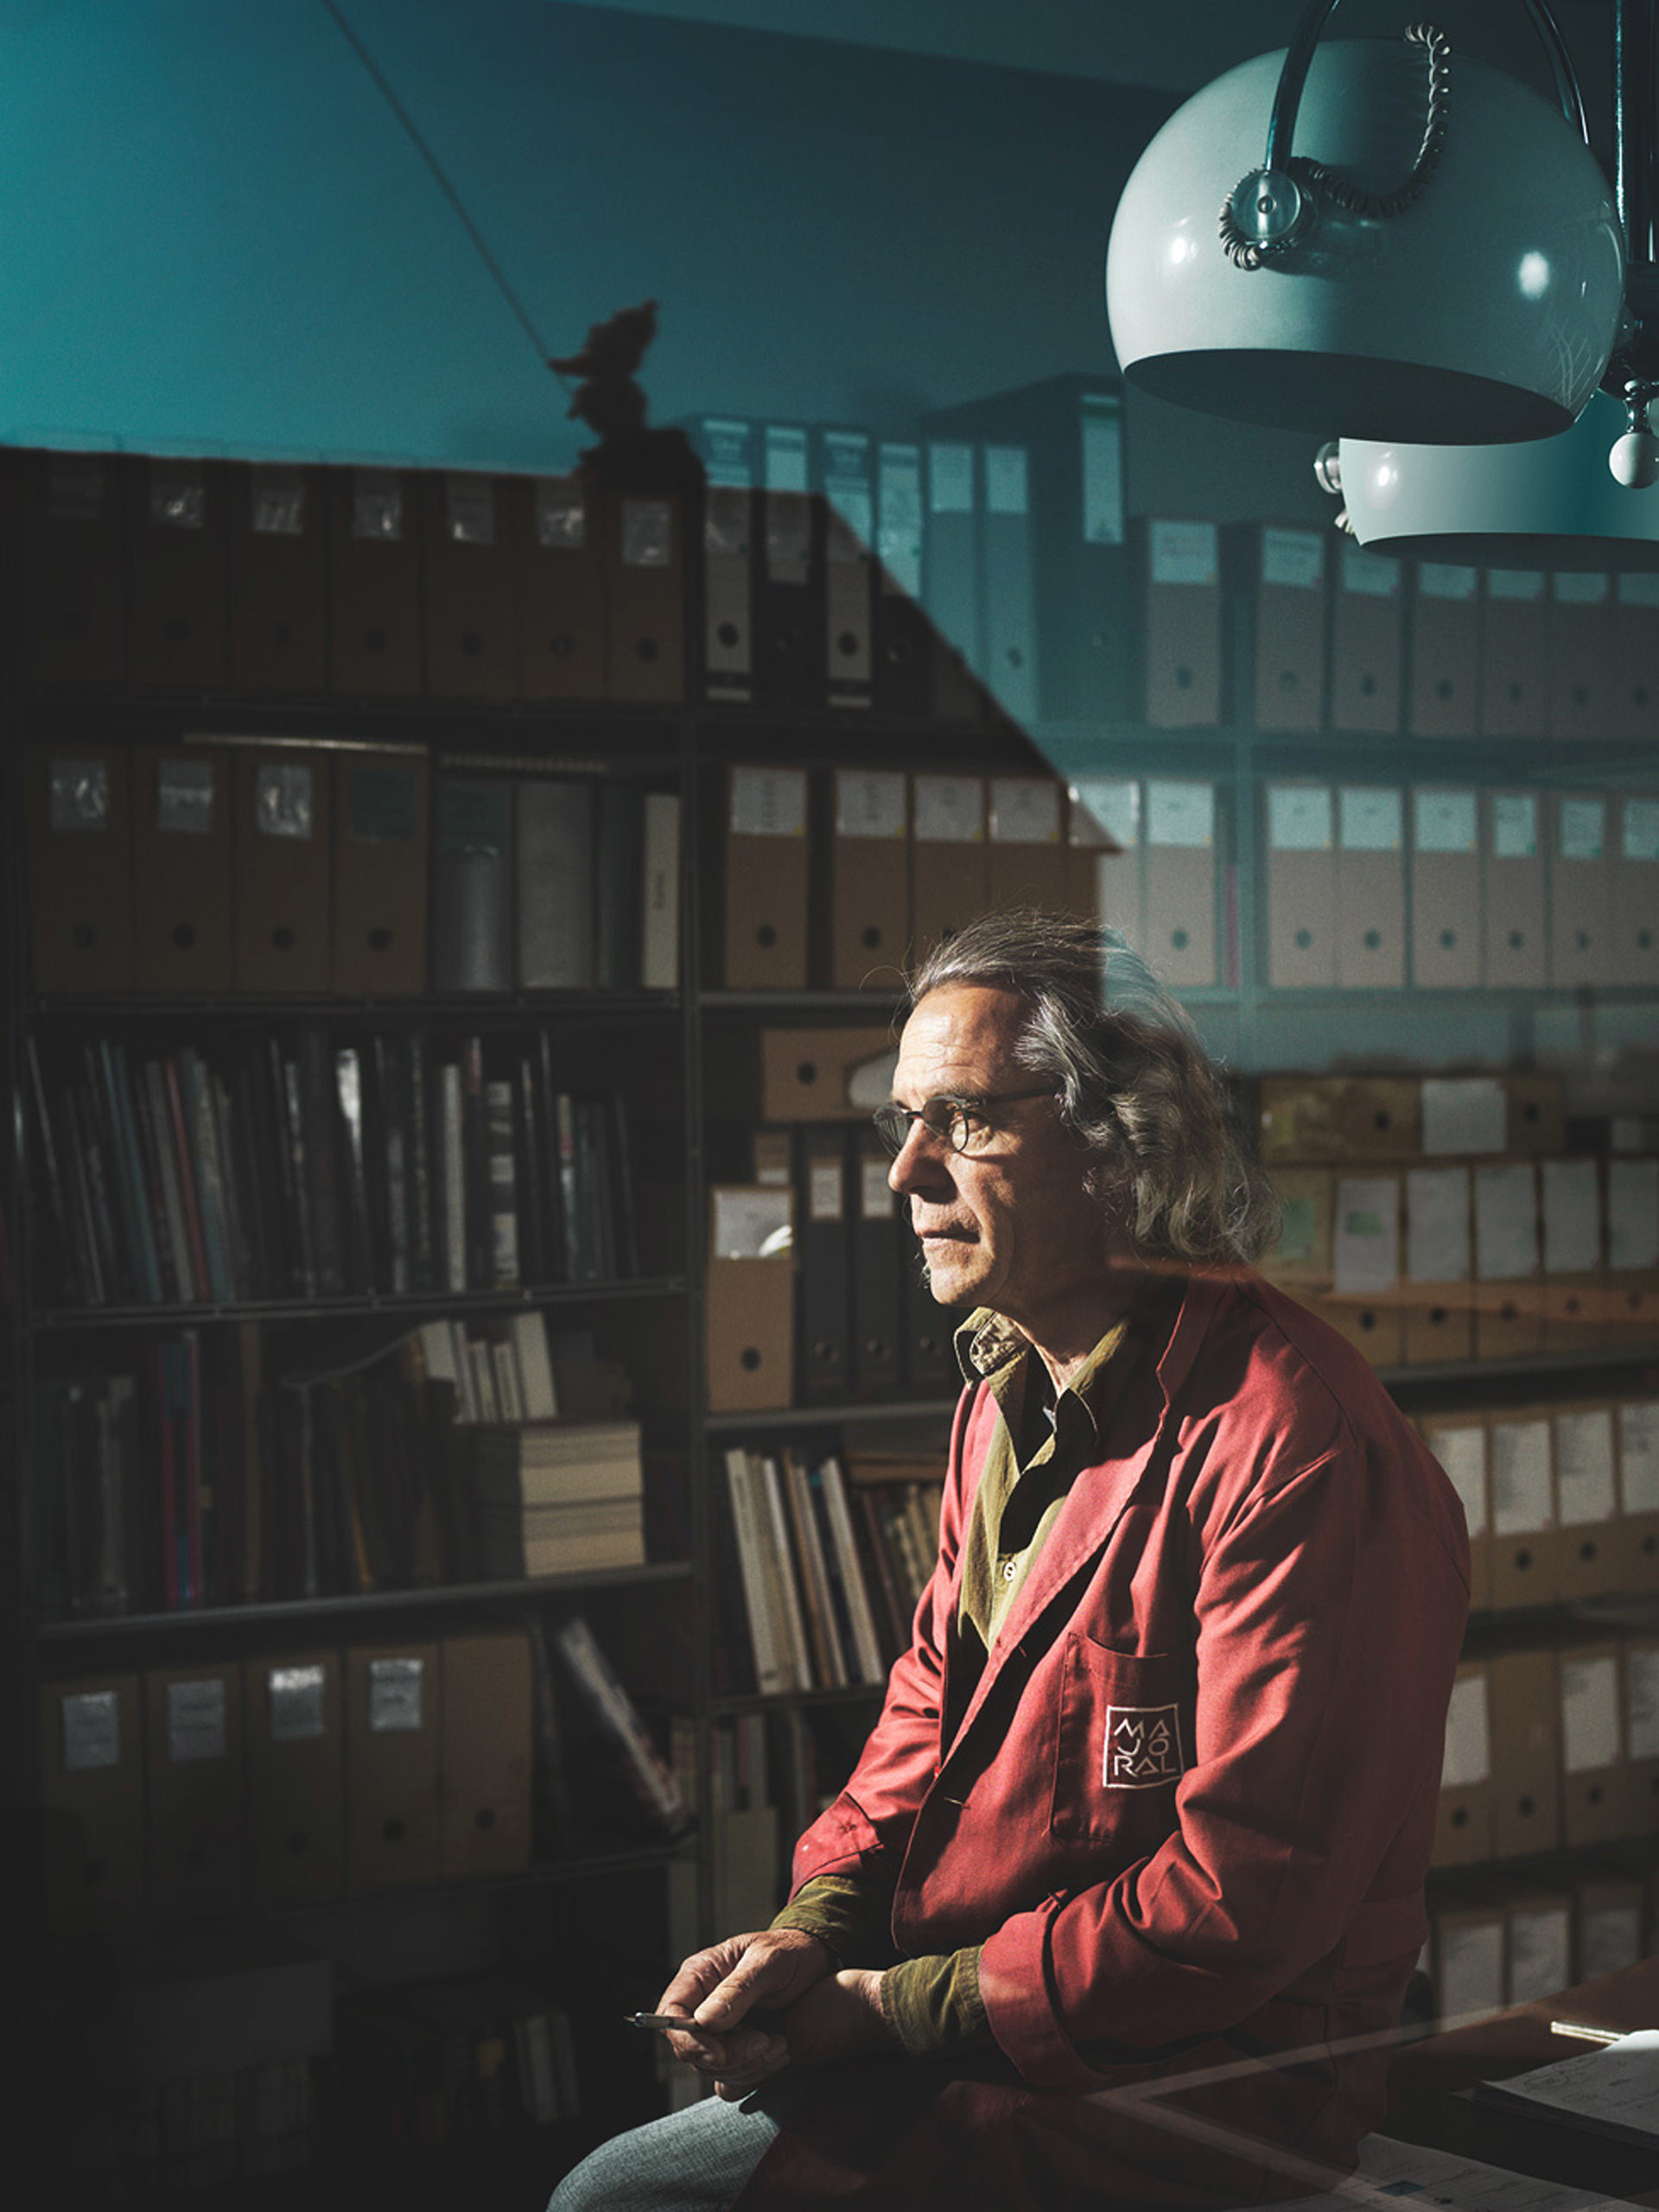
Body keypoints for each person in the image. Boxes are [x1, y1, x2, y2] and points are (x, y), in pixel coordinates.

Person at [552, 911, 1469, 2212]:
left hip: (1188, 2086)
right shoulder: (1007, 1388)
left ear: (1121, 1144)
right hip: (979, 2033)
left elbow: (1239, 1905)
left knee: (617, 2203)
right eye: (902, 1123)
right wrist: (811, 1935)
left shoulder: (1298, 1444)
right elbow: (925, 1720)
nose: (905, 1172)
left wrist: (882, 2009)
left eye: (966, 1120)